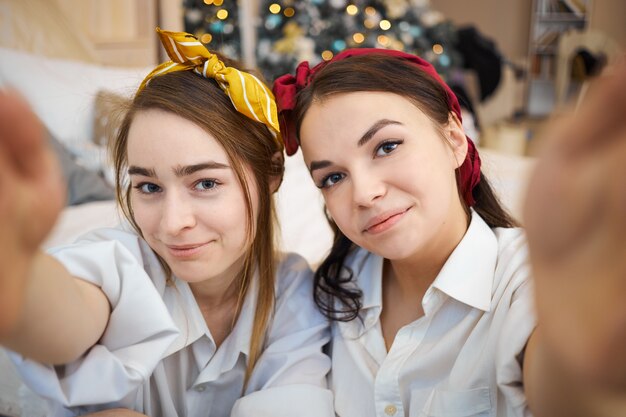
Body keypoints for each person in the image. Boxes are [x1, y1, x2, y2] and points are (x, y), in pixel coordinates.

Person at [273, 48, 626, 417]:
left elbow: (573, 392)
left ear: (455, 141)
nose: (364, 193)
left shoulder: (525, 286)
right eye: (333, 178)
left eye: (387, 147)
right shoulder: (326, 296)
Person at [0, 29, 333, 417]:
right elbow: (65, 323)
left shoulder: (292, 289)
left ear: (272, 174)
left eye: (205, 183)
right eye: (149, 187)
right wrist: (17, 268)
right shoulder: (121, 260)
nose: (172, 223)